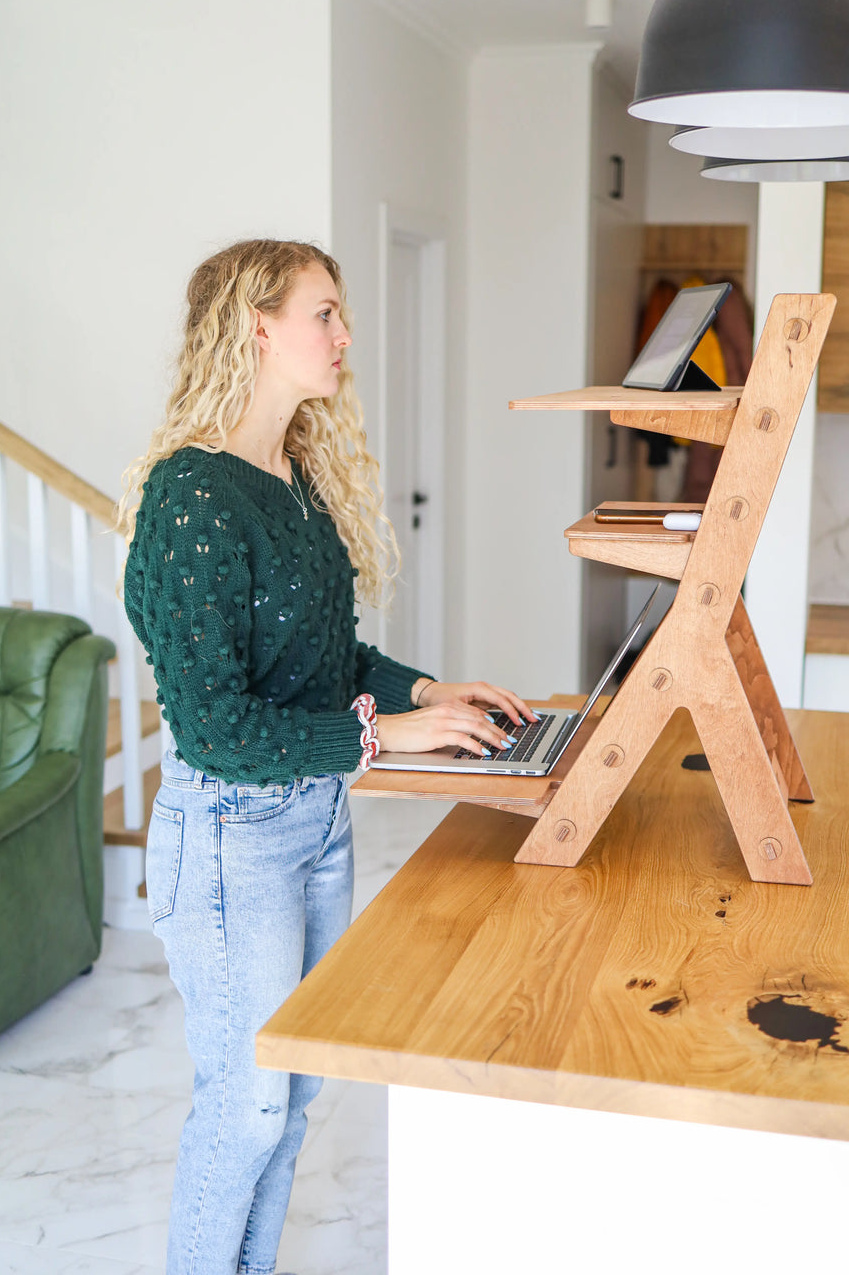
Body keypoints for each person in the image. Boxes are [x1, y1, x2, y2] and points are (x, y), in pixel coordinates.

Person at [118, 238, 537, 1275]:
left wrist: (428, 691)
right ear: (257, 326)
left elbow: (326, 657)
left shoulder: (291, 474)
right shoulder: (193, 496)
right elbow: (215, 725)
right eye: (326, 314)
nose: (344, 336)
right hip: (231, 839)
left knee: (293, 1100)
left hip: (314, 823)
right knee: (247, 1105)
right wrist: (384, 734)